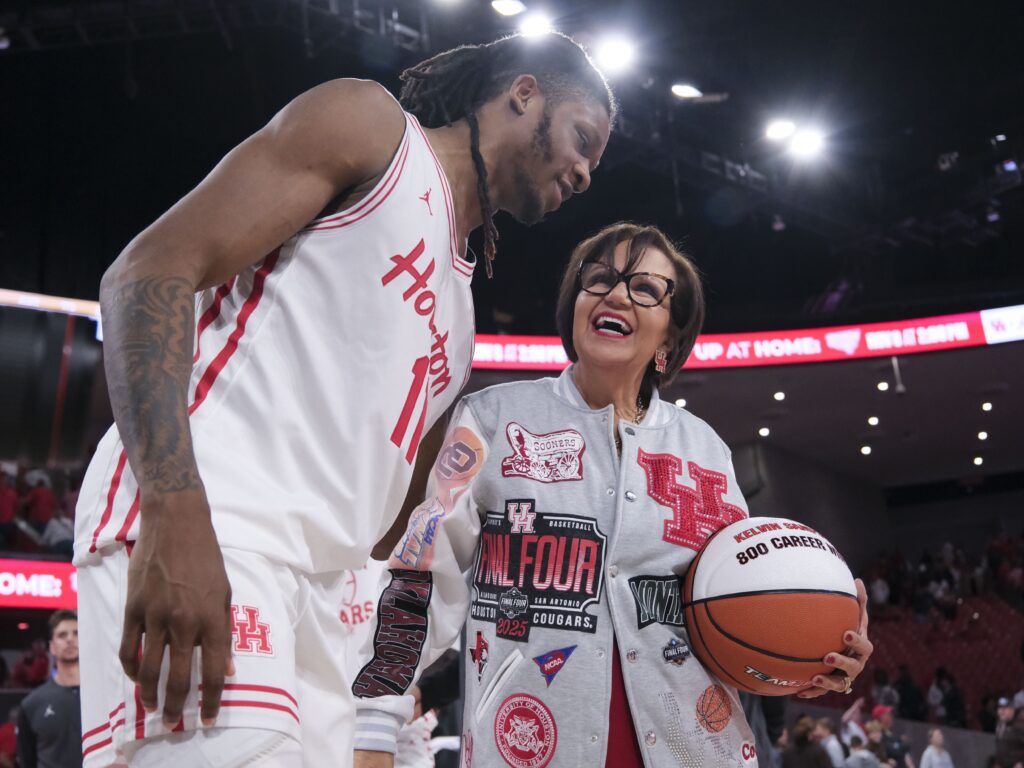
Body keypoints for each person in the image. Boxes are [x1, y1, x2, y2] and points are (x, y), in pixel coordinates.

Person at [72, 31, 615, 768]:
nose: (584, 173)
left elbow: (389, 531)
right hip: (218, 527)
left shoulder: (459, 322)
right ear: (524, 95)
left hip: (327, 602)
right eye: (582, 139)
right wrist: (176, 515)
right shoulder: (372, 129)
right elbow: (148, 274)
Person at [352, 223, 873, 767]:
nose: (617, 293)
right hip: (524, 746)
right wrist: (374, 723)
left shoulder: (706, 451)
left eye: (646, 288)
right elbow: (420, 578)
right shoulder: (490, 420)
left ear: (669, 341)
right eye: (598, 278)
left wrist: (811, 655)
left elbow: (739, 607)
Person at [16, 610, 82, 768]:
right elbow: (26, 761)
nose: (70, 640)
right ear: (51, 646)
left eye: (76, 633)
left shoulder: (105, 699)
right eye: (62, 635)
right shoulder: (31, 704)